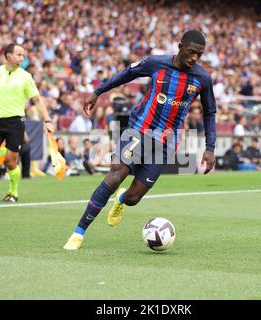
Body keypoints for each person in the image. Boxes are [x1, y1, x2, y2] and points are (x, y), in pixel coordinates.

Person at [63, 30, 217, 250]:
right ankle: (78, 233)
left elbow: (209, 113)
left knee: (134, 197)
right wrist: (98, 92)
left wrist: (210, 147)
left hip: (167, 142)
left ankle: (121, 200)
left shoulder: (202, 78)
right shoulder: (156, 64)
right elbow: (126, 74)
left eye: (199, 55)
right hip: (139, 130)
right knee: (116, 174)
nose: (194, 58)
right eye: (191, 52)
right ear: (180, 46)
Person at [0, 43, 54, 202]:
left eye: (23, 55)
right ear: (8, 56)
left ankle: (13, 192)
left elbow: (37, 99)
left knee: (11, 163)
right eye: (19, 55)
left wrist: (48, 120)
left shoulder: (25, 76)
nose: (22, 58)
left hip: (15, 123)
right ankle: (4, 153)